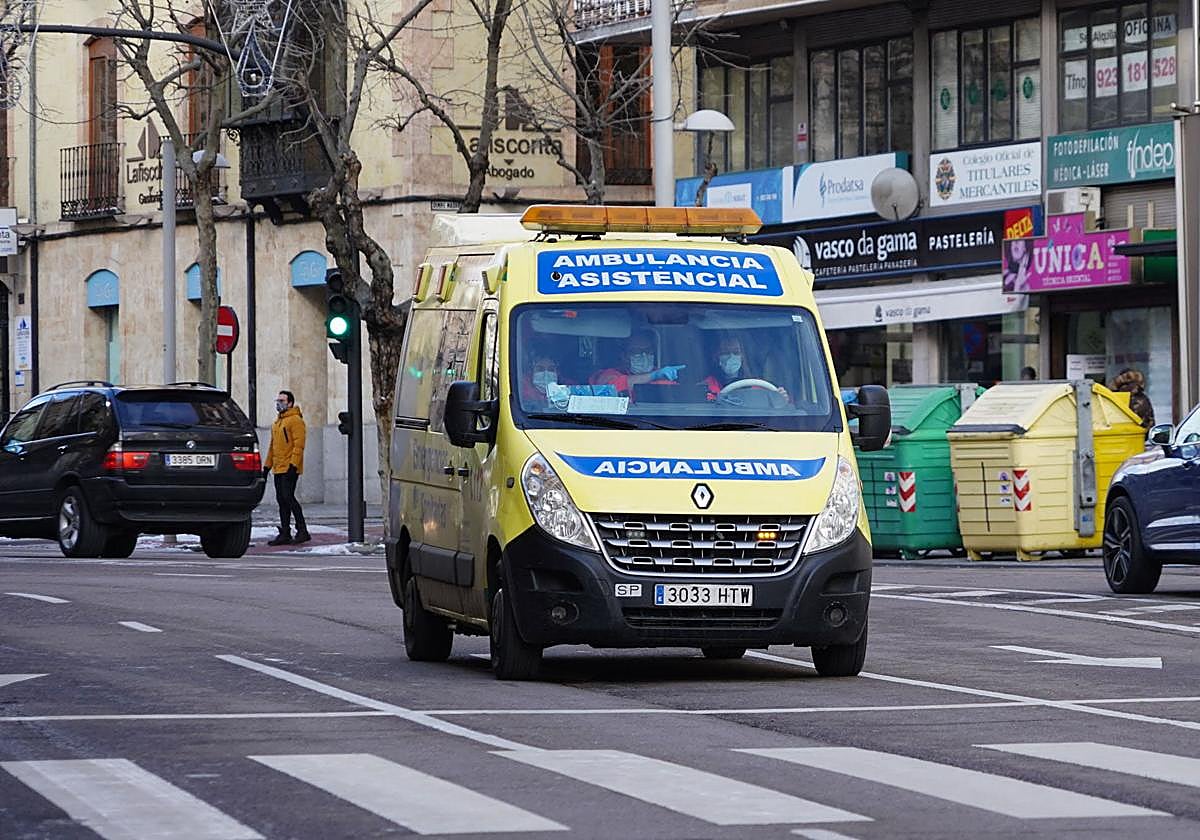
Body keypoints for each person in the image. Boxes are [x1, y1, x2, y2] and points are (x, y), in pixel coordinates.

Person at [264, 390, 310, 545]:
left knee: (288, 498)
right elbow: (273, 447)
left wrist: (293, 465)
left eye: (282, 400)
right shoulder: (277, 423)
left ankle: (302, 530)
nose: (279, 403)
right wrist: (266, 467)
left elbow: (299, 445)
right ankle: (285, 532)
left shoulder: (295, 420)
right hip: (278, 467)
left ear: (290, 403)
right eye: (278, 400)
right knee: (281, 500)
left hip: (289, 467)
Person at [590, 330, 686, 396]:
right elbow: (612, 387)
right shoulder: (608, 375)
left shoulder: (663, 376)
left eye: (648, 351)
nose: (644, 355)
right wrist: (653, 376)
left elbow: (676, 401)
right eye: (636, 351)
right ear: (624, 356)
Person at [701, 335, 789, 402]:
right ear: (716, 357)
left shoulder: (760, 386)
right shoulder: (706, 386)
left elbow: (786, 405)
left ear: (742, 357)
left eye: (736, 352)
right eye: (725, 352)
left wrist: (781, 397)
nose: (731, 356)